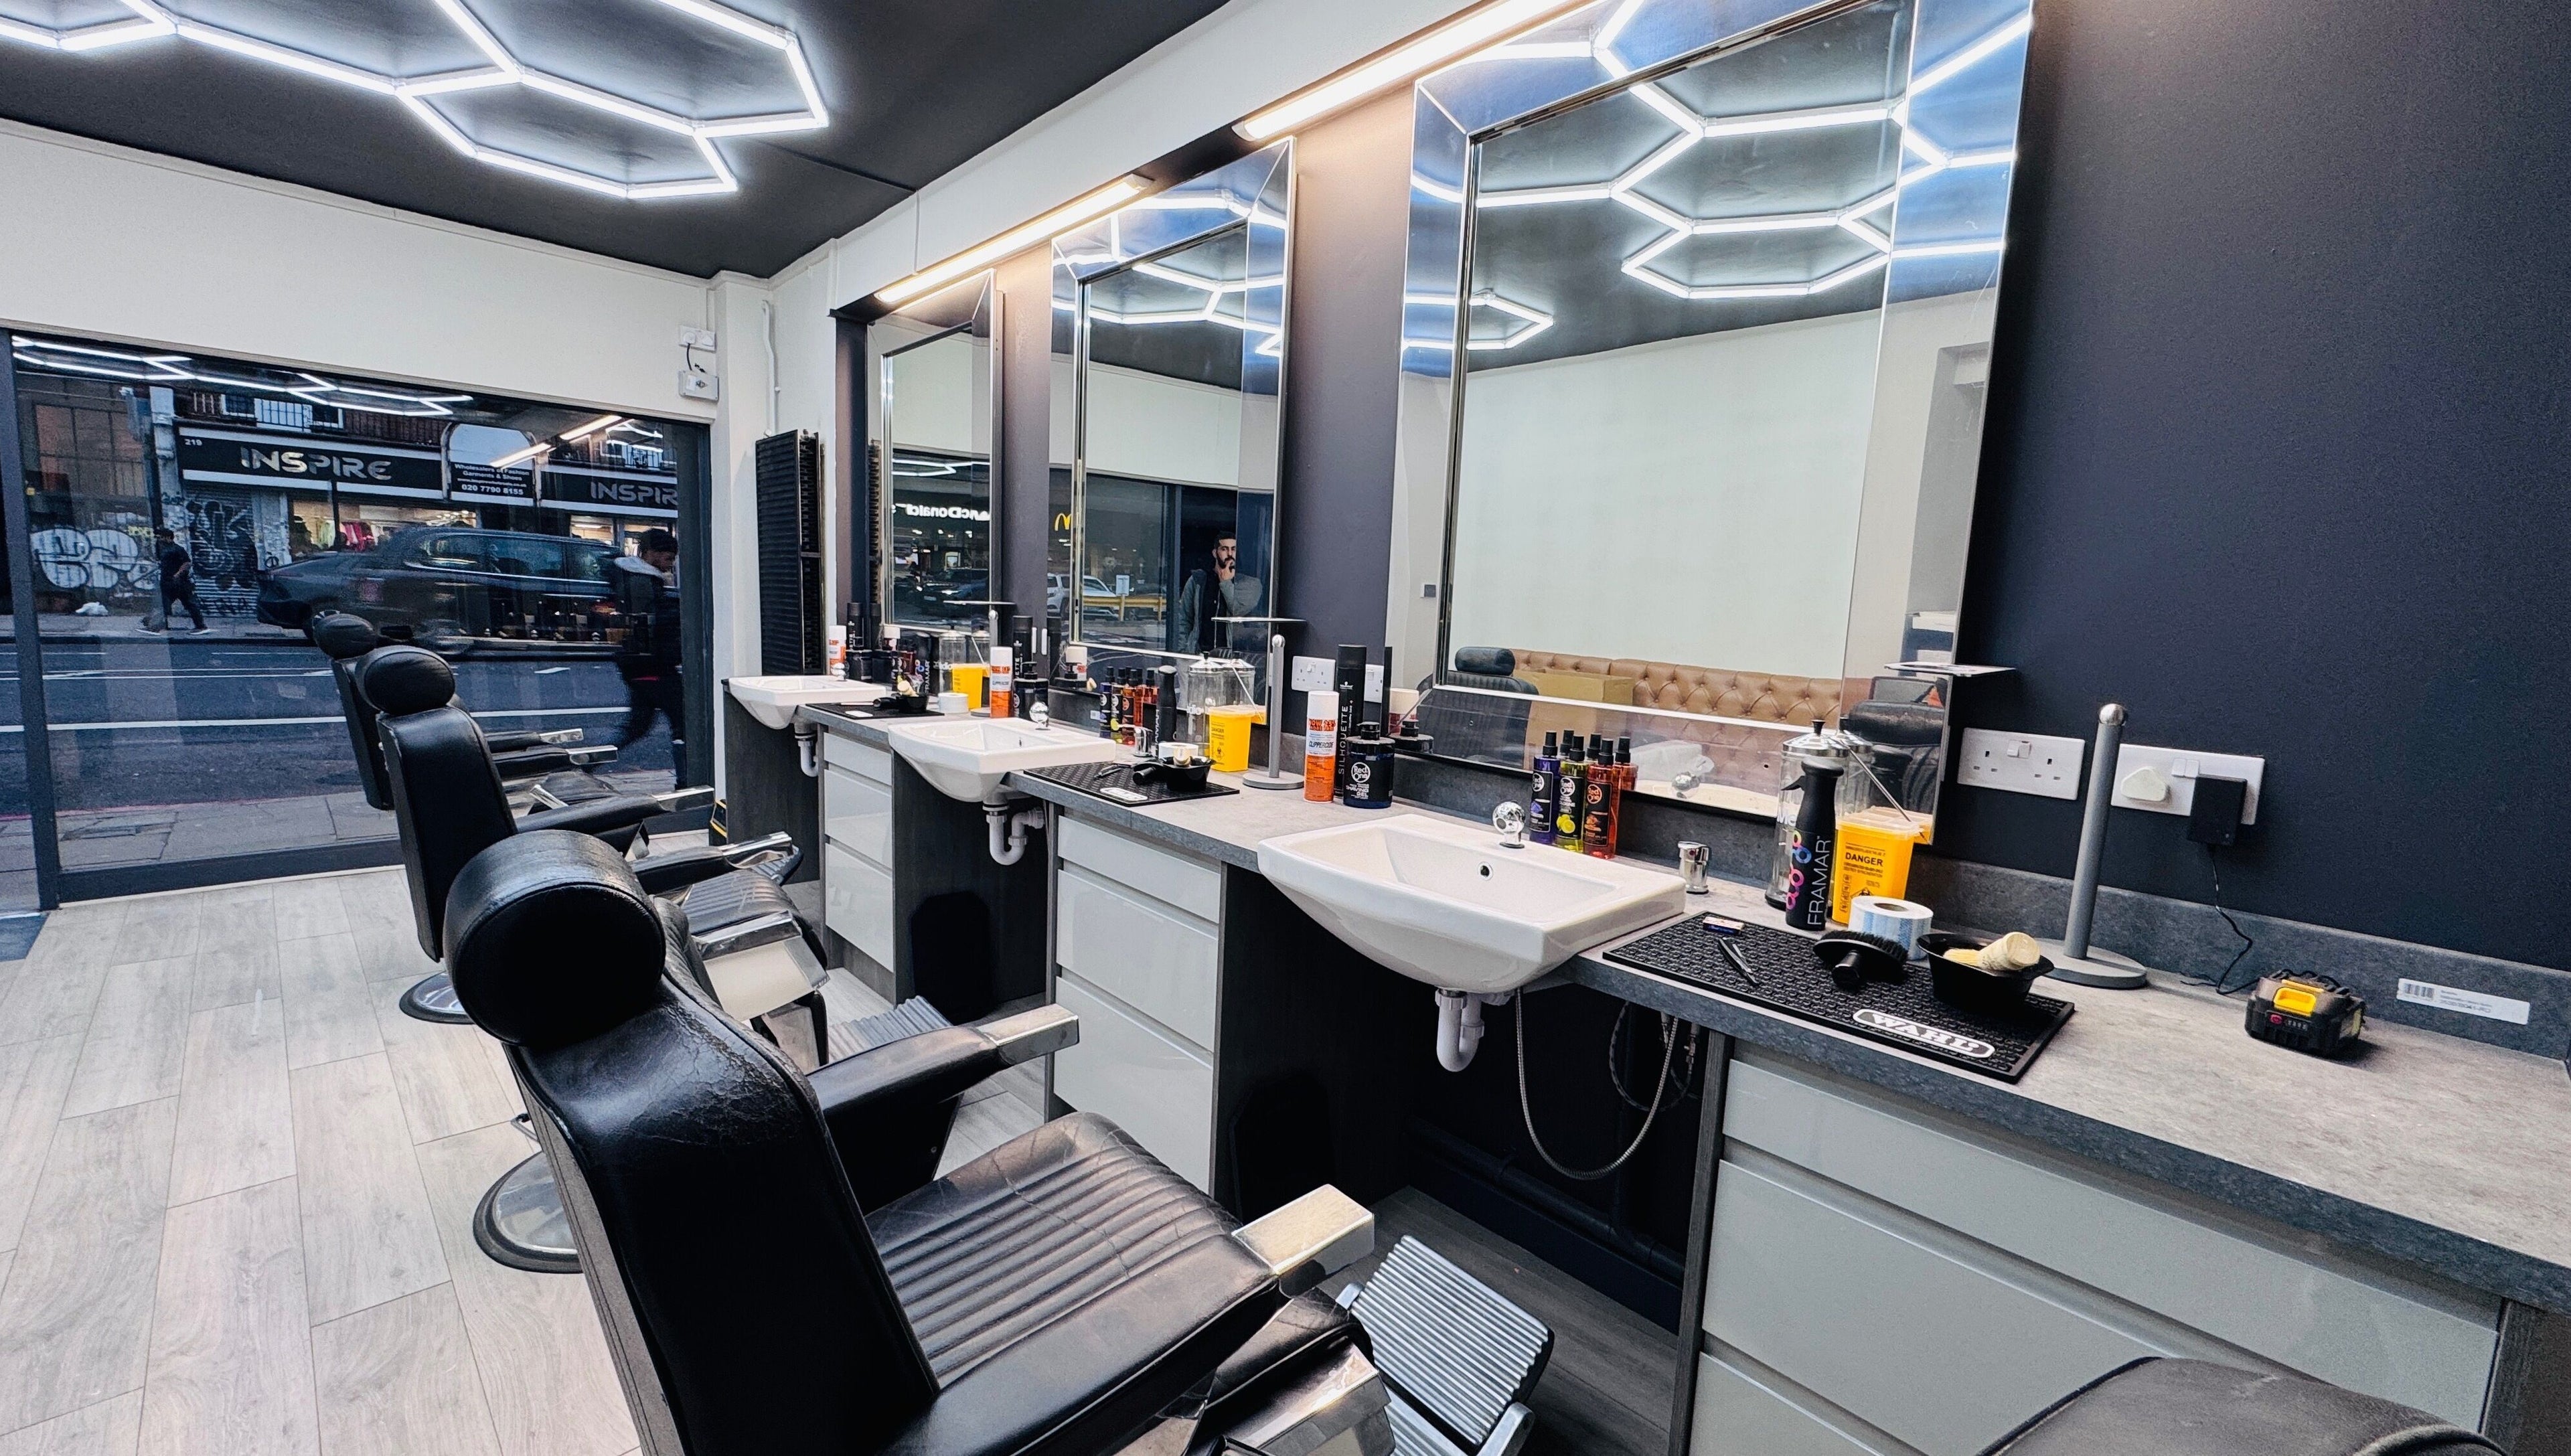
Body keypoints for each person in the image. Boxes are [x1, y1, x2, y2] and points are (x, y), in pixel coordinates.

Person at [611, 528, 686, 781]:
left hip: (641, 666)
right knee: (686, 720)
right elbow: (651, 622)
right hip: (651, 666)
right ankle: (687, 780)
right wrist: (680, 612)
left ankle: (584, 762)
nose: (671, 563)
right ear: (650, 554)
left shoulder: (636, 577)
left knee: (637, 727)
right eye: (667, 557)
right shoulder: (640, 581)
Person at [1174, 535, 1263, 654]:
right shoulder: (1199, 580)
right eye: (1224, 549)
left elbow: (1238, 610)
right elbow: (1184, 619)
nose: (1230, 553)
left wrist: (1226, 582)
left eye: (1234, 549)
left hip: (1232, 657)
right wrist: (1182, 652)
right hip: (1200, 655)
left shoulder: (1249, 583)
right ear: (1215, 553)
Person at [150, 526, 209, 634]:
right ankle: (155, 626)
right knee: (167, 605)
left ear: (168, 537)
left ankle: (201, 626)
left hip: (179, 583)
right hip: (170, 583)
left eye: (161, 537)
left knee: (188, 604)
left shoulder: (177, 549)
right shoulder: (165, 549)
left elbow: (187, 563)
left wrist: (177, 575)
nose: (159, 540)